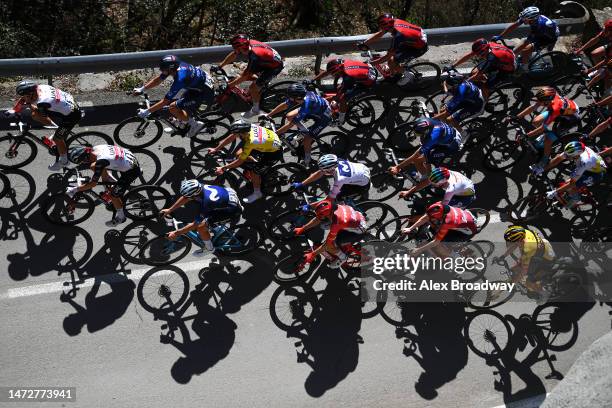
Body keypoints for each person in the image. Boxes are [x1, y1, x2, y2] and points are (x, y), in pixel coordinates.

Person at [133, 55, 214, 138]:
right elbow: (158, 80)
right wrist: (142, 89)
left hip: (204, 95)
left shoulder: (180, 79)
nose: (161, 70)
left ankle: (195, 124)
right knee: (180, 104)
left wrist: (147, 111)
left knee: (172, 107)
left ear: (170, 69)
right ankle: (180, 124)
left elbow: (165, 101)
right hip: (198, 88)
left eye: (163, 69)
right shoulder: (176, 66)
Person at [10, 81, 82, 171]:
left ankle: (64, 162)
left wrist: (28, 105)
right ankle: (58, 130)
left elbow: (44, 117)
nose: (24, 98)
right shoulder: (40, 87)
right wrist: (14, 110)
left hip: (72, 116)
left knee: (57, 138)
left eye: (26, 96)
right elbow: (24, 100)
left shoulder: (43, 102)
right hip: (68, 104)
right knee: (35, 114)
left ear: (31, 94)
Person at [208, 120, 283, 203]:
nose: (236, 136)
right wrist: (216, 149)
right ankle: (255, 166)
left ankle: (257, 193)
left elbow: (240, 161)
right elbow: (232, 137)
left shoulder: (251, 142)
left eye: (238, 134)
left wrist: (223, 168)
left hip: (273, 153)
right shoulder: (248, 128)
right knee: (238, 154)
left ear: (242, 132)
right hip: (266, 143)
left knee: (255, 171)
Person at [159, 180, 243, 254]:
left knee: (201, 227)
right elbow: (186, 197)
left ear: (195, 194)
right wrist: (170, 209)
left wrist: (176, 233)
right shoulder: (199, 187)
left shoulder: (207, 202)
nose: (186, 198)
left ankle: (209, 248)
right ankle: (217, 229)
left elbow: (196, 224)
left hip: (232, 211)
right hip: (226, 198)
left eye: (190, 197)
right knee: (203, 219)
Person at [66, 145, 141, 226]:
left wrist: (75, 189)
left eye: (82, 162)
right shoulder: (96, 148)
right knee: (93, 166)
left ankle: (121, 217)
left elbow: (93, 184)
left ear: (86, 158)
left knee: (113, 196)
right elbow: (99, 164)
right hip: (127, 158)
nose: (83, 163)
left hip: (131, 171)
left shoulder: (101, 161)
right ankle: (112, 185)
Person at [215, 34, 284, 118]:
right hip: (267, 59)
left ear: (241, 47)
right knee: (244, 75)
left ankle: (255, 110)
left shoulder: (254, 56)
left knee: (252, 88)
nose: (234, 49)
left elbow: (245, 76)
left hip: (274, 66)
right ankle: (260, 85)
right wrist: (220, 66)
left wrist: (229, 86)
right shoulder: (247, 45)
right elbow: (234, 54)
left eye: (235, 47)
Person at [513, 87, 580, 173]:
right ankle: (544, 136)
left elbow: (541, 129)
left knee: (548, 140)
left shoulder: (555, 109)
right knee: (536, 121)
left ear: (547, 101)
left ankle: (544, 160)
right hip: (562, 109)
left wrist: (526, 135)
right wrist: (516, 117)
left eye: (540, 101)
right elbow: (533, 107)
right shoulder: (549, 97)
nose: (538, 102)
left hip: (571, 117)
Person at [266, 83, 332, 166]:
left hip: (324, 117)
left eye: (290, 96)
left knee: (307, 138)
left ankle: (307, 159)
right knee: (289, 115)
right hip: (316, 108)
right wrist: (268, 115)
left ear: (297, 97)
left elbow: (290, 124)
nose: (288, 97)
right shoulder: (300, 97)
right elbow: (284, 105)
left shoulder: (306, 105)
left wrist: (275, 134)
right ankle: (301, 132)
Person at [295, 199, 367, 269]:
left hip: (358, 231)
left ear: (329, 215)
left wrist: (312, 254)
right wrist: (303, 228)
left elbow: (327, 244)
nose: (320, 218)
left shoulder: (336, 223)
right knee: (325, 225)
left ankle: (343, 257)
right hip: (357, 218)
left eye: (322, 216)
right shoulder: (335, 206)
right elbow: (318, 219)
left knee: (331, 245)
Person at [359, 13, 428, 85]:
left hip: (418, 48)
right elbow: (380, 34)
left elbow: (388, 56)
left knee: (392, 61)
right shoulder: (393, 22)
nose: (381, 28)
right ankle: (392, 74)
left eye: (381, 27)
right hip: (414, 40)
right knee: (391, 58)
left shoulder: (398, 36)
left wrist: (371, 64)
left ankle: (409, 75)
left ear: (386, 26)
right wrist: (365, 43)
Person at [389, 117, 463, 181]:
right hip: (449, 135)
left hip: (452, 145)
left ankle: (429, 179)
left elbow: (415, 156)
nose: (416, 135)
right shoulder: (427, 121)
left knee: (422, 159)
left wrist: (397, 167)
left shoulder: (433, 137)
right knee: (424, 154)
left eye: (418, 133)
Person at [312, 58, 377, 125]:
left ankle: (341, 120)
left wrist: (330, 99)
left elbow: (340, 96)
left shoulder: (348, 77)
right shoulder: (343, 63)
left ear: (338, 71)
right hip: (367, 69)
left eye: (333, 74)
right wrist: (313, 80)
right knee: (340, 89)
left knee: (342, 99)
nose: (333, 75)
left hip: (368, 81)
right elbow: (327, 72)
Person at [543, 141, 607, 208]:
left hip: (596, 174)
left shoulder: (584, 162)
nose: (566, 156)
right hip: (592, 165)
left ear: (577, 155)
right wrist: (543, 169)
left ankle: (573, 201)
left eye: (568, 156)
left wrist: (554, 192)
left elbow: (572, 183)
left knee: (573, 187)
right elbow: (558, 158)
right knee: (568, 182)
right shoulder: (575, 150)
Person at [401, 201, 477, 257]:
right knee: (433, 227)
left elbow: (436, 242)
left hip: (466, 233)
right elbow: (426, 217)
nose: (430, 218)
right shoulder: (439, 205)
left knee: (438, 244)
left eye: (434, 218)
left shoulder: (447, 222)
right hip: (465, 218)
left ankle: (454, 257)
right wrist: (410, 228)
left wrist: (419, 250)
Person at [494, 7, 559, 67]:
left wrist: (525, 51)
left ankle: (524, 67)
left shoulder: (540, 25)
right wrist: (500, 36)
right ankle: (515, 58)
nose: (523, 20)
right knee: (520, 47)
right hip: (542, 32)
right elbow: (513, 26)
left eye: (524, 19)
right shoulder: (530, 19)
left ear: (532, 20)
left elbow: (531, 39)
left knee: (526, 49)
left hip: (549, 37)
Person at [451, 38, 516, 98]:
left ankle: (484, 103)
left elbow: (478, 74)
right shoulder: (487, 46)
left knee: (485, 87)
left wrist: (463, 82)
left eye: (479, 54)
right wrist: (453, 65)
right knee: (474, 72)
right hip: (498, 60)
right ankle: (486, 81)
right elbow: (469, 55)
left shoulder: (492, 57)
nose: (478, 56)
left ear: (483, 51)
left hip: (506, 68)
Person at [497, 225, 555, 292]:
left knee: (528, 282)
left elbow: (524, 270)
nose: (508, 243)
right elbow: (515, 245)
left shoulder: (527, 249)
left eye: (510, 241)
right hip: (543, 248)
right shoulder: (525, 232)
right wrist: (503, 256)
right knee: (516, 267)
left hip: (546, 260)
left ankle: (543, 294)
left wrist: (512, 283)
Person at [291, 154, 371, 202]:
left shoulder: (340, 179)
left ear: (331, 170)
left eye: (324, 170)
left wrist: (311, 204)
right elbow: (319, 173)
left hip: (363, 184)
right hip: (362, 169)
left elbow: (330, 198)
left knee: (338, 198)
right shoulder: (337, 161)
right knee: (341, 187)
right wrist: (302, 184)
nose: (322, 171)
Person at [399, 166, 476, 208]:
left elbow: (443, 206)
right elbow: (425, 183)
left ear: (441, 183)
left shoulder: (450, 189)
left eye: (434, 183)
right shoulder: (443, 173)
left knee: (443, 213)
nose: (431, 184)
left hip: (466, 197)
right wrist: (409, 192)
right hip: (462, 185)